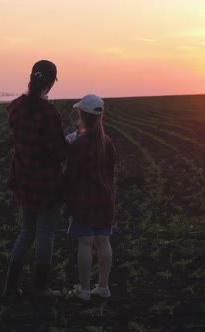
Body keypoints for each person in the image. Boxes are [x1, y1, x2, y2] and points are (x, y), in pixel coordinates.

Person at [2, 60, 69, 298]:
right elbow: (59, 152)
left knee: (26, 231)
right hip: (47, 184)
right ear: (50, 83)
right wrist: (69, 141)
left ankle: (10, 286)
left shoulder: (16, 107)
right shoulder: (49, 113)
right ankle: (41, 287)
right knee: (45, 232)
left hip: (23, 179)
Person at [64, 94, 117, 301]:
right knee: (104, 241)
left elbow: (71, 175)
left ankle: (84, 289)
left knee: (84, 243)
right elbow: (111, 171)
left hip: (84, 201)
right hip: (105, 199)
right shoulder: (108, 142)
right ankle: (103, 286)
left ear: (82, 115)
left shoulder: (79, 145)